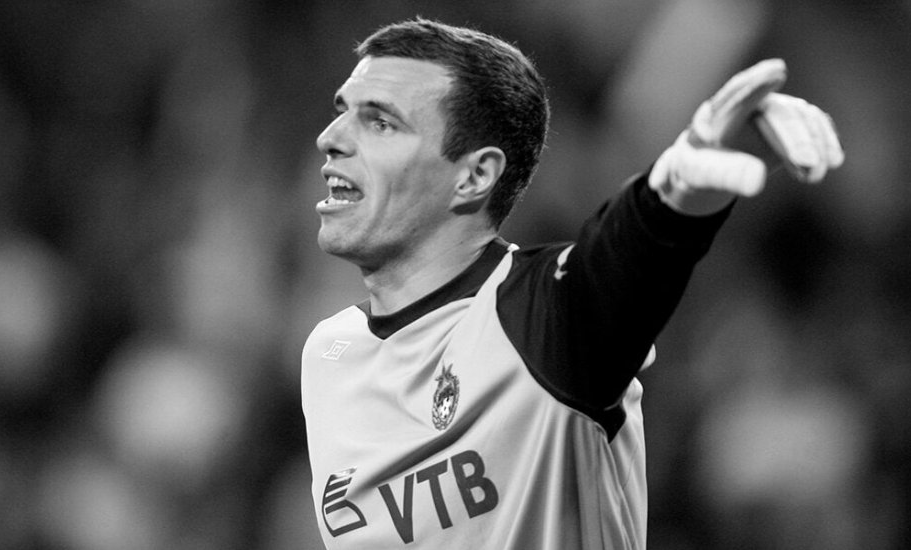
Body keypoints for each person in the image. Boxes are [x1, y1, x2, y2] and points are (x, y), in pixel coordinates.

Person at [301, 17, 843, 550]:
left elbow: (619, 261)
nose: (330, 138)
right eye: (342, 112)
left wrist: (673, 196)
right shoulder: (328, 353)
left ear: (474, 176)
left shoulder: (542, 320)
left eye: (381, 123)